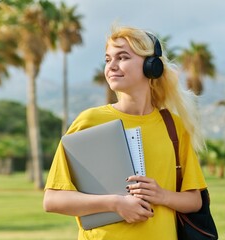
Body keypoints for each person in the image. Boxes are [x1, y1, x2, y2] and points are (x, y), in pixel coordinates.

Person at [43, 25, 207, 240]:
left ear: (151, 67)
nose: (112, 66)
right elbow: (53, 200)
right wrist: (116, 203)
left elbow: (195, 201)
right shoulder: (89, 121)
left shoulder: (173, 125)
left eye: (122, 57)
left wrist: (162, 195)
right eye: (108, 59)